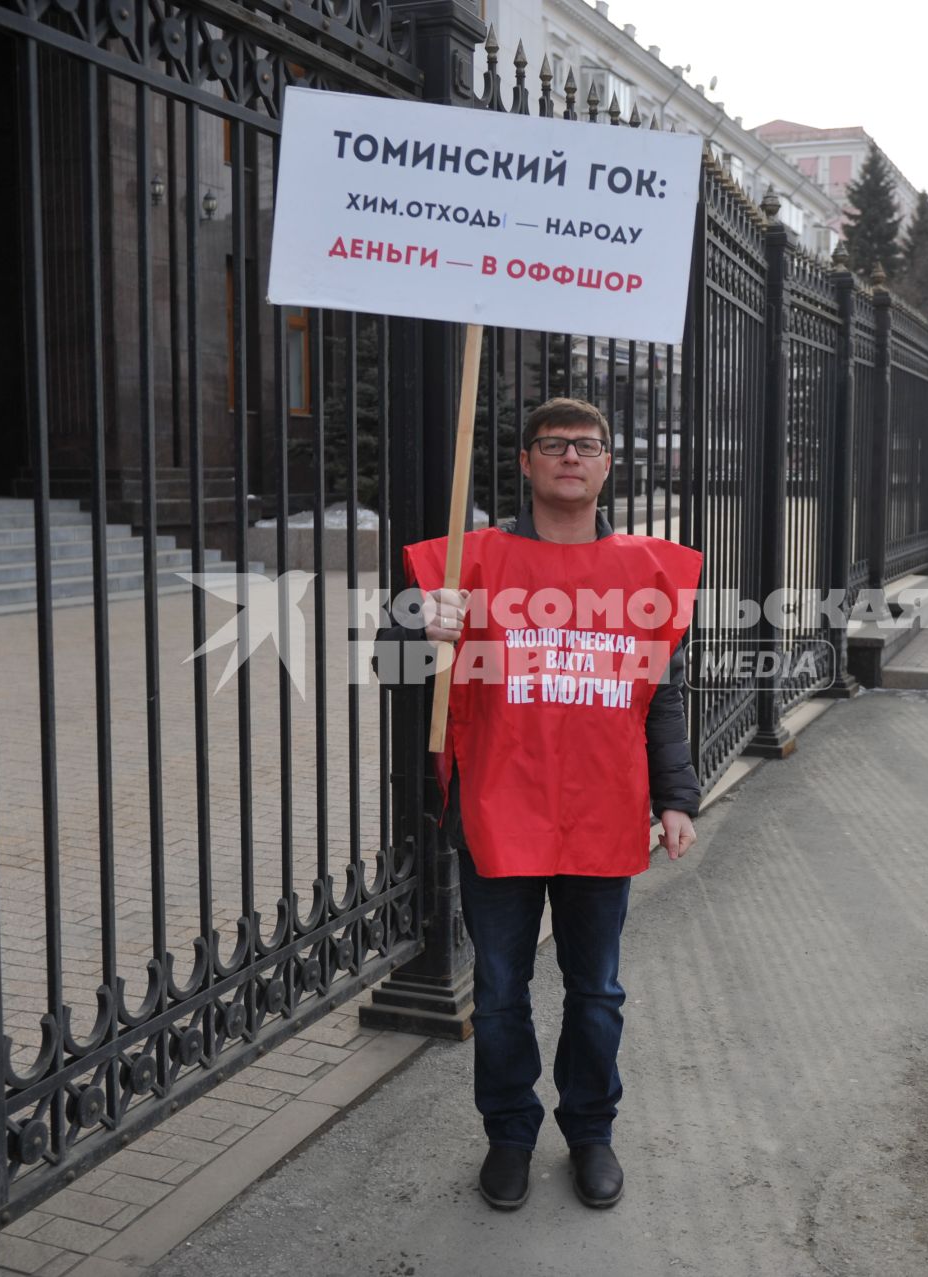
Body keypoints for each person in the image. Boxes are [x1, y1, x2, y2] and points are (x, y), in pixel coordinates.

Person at [378, 397, 703, 1214]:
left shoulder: (647, 571)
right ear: (525, 462)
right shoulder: (467, 564)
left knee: (596, 992)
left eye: (586, 445)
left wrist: (675, 795)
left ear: (606, 465)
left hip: (604, 808)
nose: (570, 456)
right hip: (499, 807)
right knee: (498, 993)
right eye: (552, 444)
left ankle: (591, 1130)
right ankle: (510, 1135)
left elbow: (660, 695)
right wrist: (422, 623)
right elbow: (397, 674)